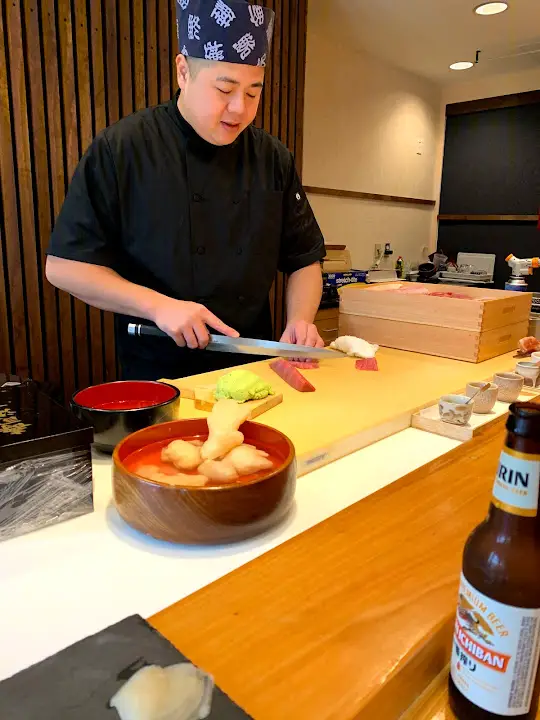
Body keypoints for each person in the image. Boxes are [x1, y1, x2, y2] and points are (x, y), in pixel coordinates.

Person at [46, 0, 326, 381]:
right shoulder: (124, 148)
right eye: (224, 88)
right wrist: (160, 306)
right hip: (159, 377)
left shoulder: (273, 158)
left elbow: (304, 260)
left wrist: (300, 321)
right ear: (183, 72)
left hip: (253, 373)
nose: (238, 109)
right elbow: (64, 267)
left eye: (253, 92)